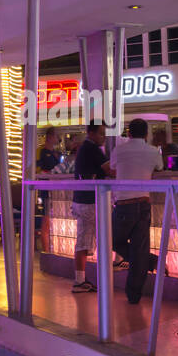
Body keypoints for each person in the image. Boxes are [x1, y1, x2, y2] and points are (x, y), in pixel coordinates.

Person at [110, 119, 162, 304]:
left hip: (124, 204)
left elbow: (113, 167)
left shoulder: (120, 150)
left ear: (129, 133)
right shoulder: (153, 151)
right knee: (139, 249)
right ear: (146, 134)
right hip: (144, 204)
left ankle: (147, 261)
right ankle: (134, 295)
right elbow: (160, 168)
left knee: (112, 240)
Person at [71, 122, 113, 292]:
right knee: (104, 235)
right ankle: (113, 264)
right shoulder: (92, 149)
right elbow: (110, 169)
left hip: (81, 200)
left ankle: (80, 280)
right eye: (101, 133)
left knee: (83, 240)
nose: (103, 137)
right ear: (91, 133)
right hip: (90, 202)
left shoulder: (85, 148)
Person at [36, 127, 61, 249]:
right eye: (57, 136)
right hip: (46, 189)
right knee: (46, 219)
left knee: (51, 219)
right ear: (50, 137)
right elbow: (38, 170)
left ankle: (50, 248)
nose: (58, 139)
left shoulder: (55, 154)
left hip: (55, 189)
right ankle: (46, 250)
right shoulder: (42, 152)